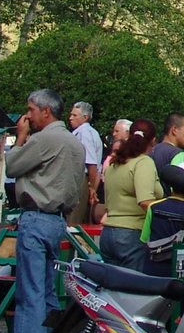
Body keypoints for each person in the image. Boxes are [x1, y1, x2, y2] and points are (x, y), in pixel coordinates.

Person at [0, 88, 84, 333]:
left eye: (31, 111)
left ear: (45, 111)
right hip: (58, 220)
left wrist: (20, 138)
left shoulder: (45, 138)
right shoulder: (75, 143)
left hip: (36, 217)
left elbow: (11, 166)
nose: (28, 116)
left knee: (31, 295)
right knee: (47, 292)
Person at [100, 119, 162, 272]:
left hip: (108, 233)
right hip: (131, 234)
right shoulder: (143, 163)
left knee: (111, 290)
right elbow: (145, 201)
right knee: (131, 289)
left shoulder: (115, 163)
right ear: (153, 141)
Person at [67, 101, 104, 225]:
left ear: (85, 117)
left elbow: (91, 163)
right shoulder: (89, 132)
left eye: (75, 115)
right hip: (84, 178)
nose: (70, 118)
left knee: (74, 220)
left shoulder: (84, 133)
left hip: (82, 178)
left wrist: (92, 187)